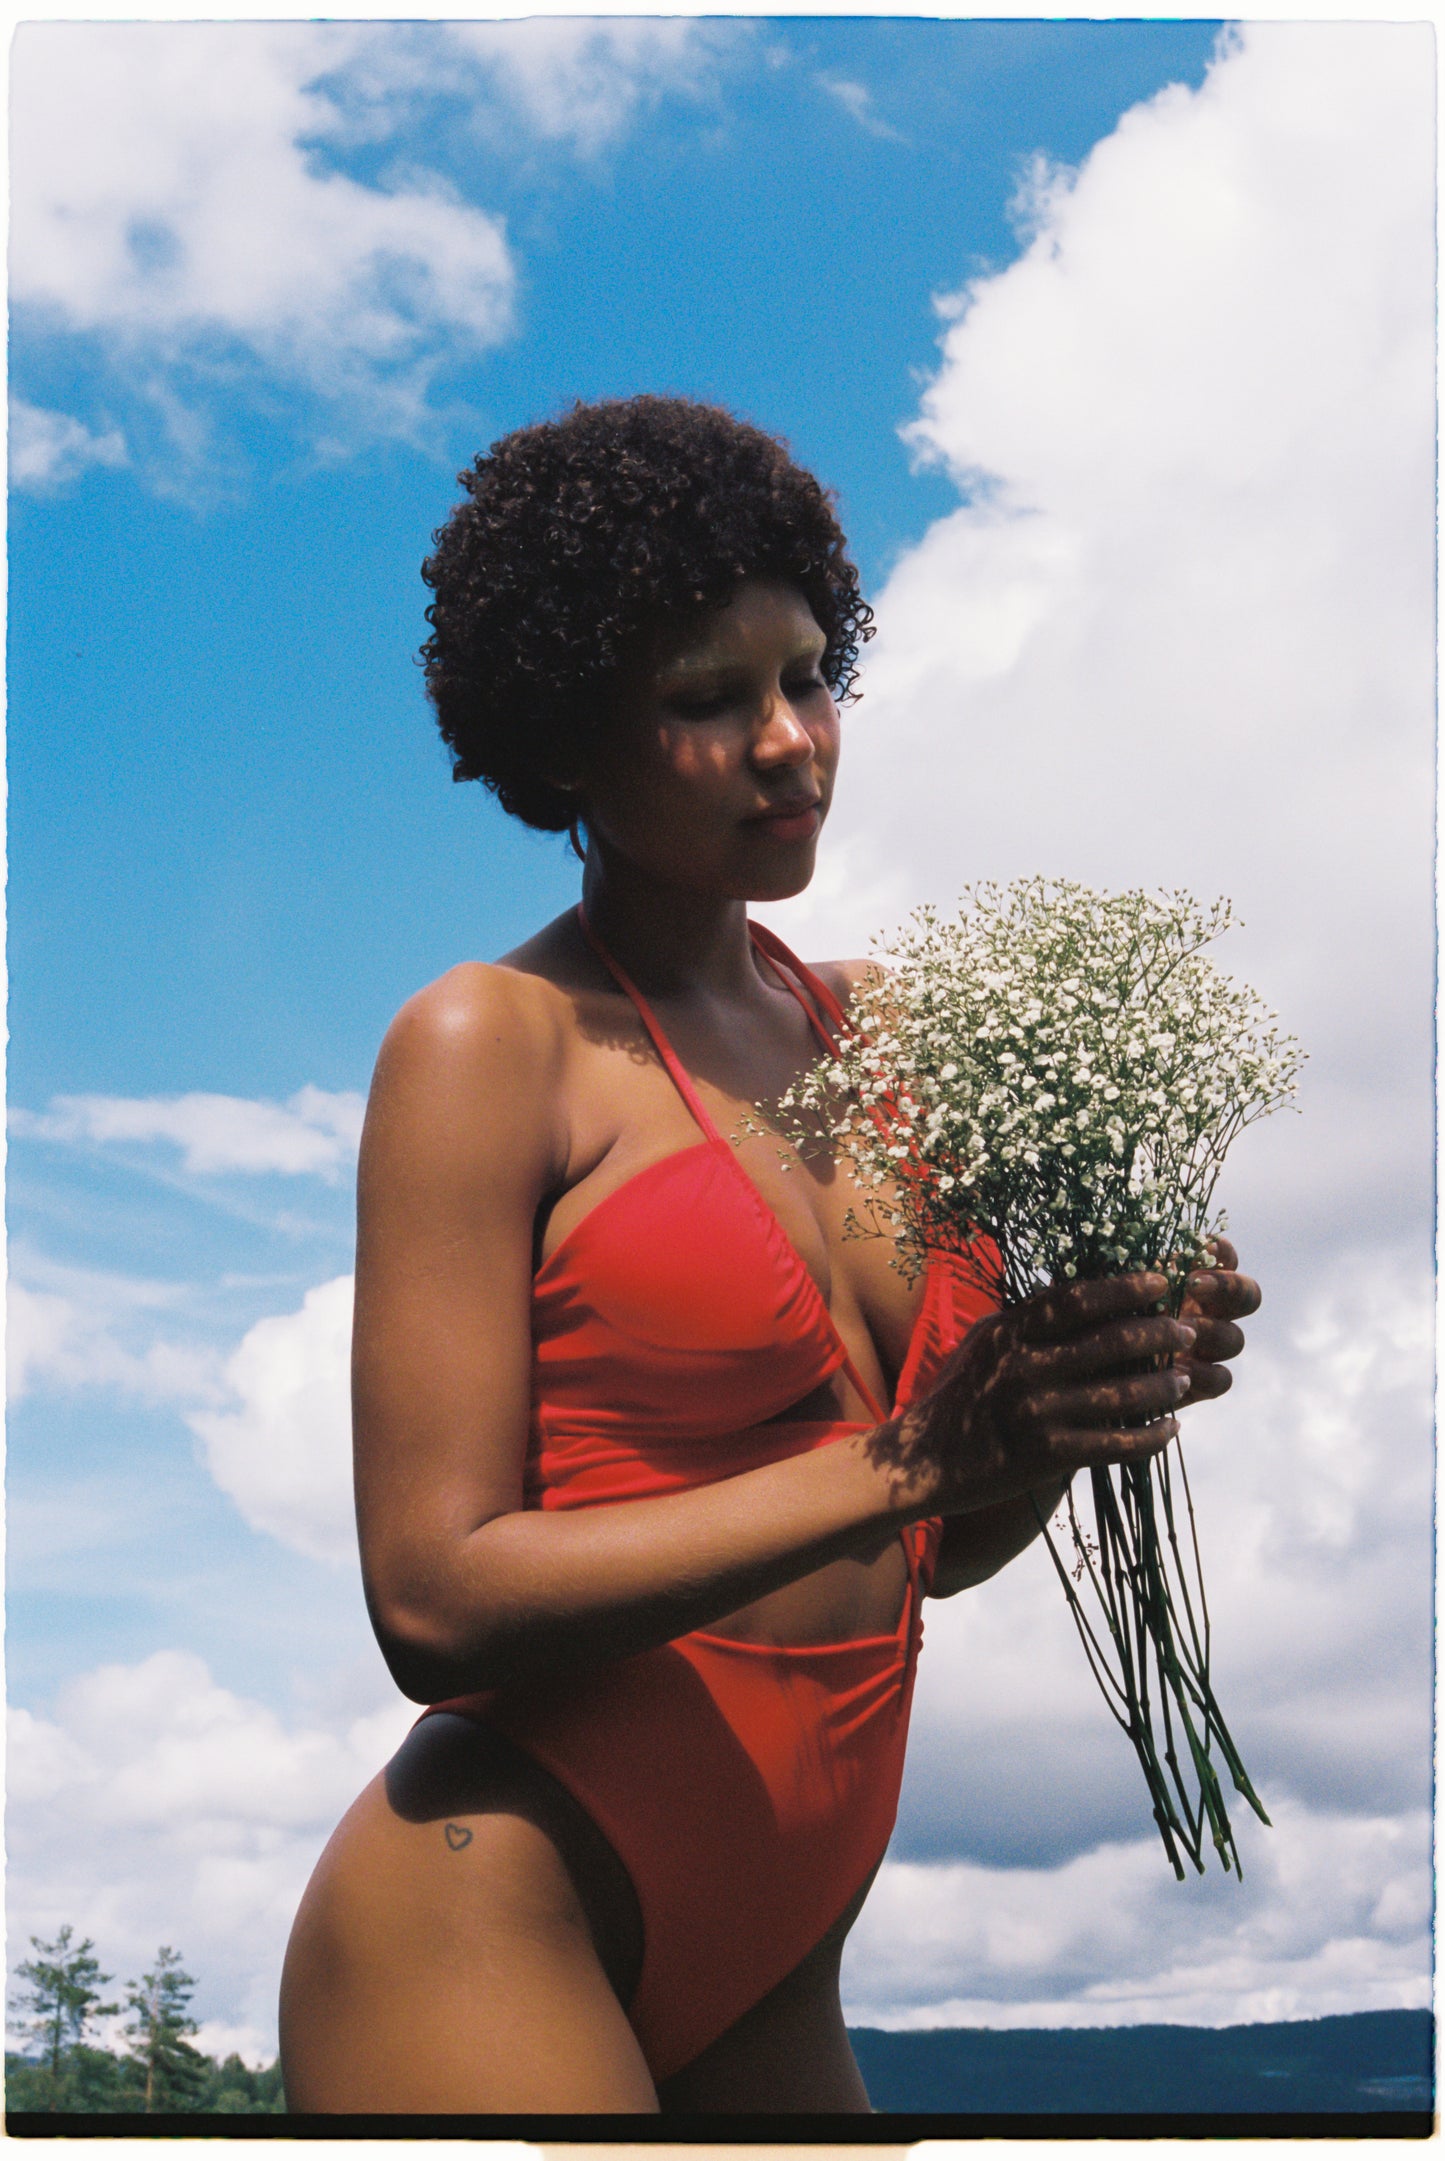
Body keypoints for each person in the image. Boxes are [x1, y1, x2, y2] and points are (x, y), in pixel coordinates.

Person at [278, 395, 1259, 2114]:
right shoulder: (485, 1043)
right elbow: (431, 1599)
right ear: (564, 739)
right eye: (703, 701)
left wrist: (1080, 1396)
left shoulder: (888, 1035)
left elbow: (935, 1546)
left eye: (809, 676)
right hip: (496, 1913)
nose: (790, 741)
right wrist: (903, 1462)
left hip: (780, 1944)